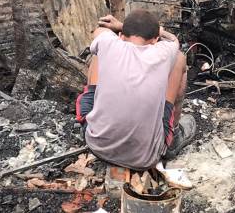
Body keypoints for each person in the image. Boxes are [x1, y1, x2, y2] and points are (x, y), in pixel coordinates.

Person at [75, 10, 196, 170]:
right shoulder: (165, 51)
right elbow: (174, 40)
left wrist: (119, 26)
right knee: (180, 59)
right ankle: (173, 135)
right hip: (146, 158)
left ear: (121, 36)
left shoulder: (108, 43)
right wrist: (157, 30)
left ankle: (93, 122)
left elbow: (100, 31)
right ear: (155, 40)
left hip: (97, 145)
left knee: (98, 52)